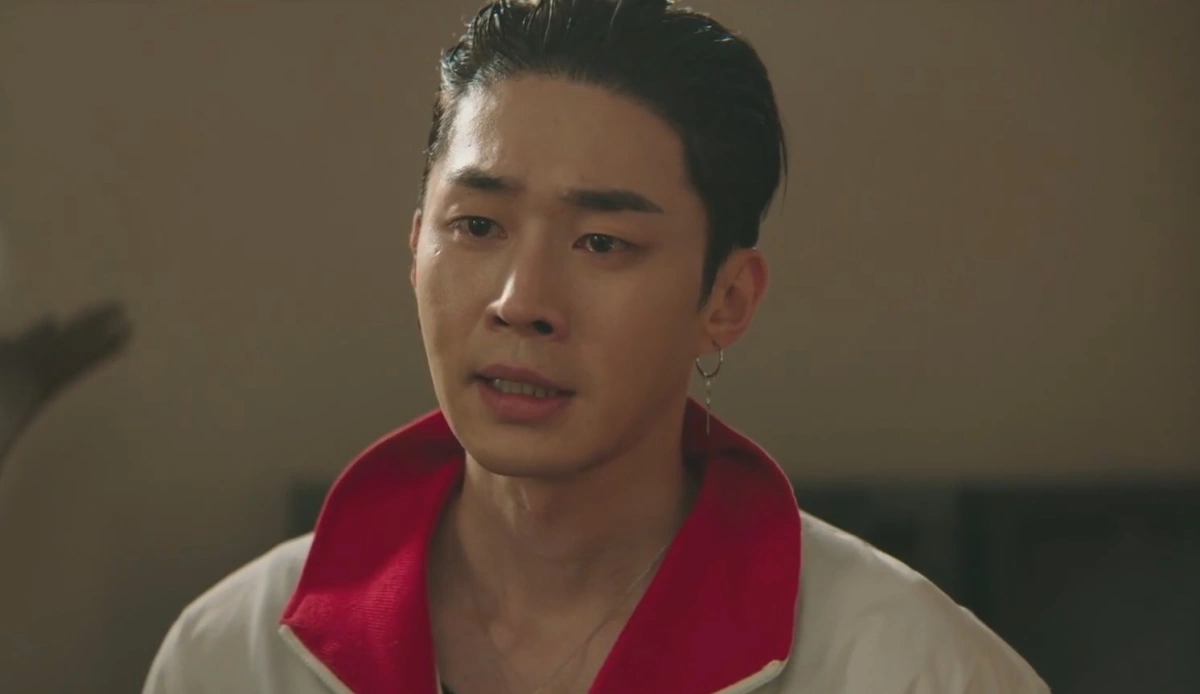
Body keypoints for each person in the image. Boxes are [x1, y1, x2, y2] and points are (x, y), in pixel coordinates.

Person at [143, 1, 1049, 692]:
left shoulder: (909, 669)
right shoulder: (235, 653)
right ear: (416, 249)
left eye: (603, 242)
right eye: (477, 226)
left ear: (726, 301)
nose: (521, 302)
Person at [0, 302, 132, 469]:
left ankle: (105, 331)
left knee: (53, 362)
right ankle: (105, 332)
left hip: (25, 376)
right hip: (26, 381)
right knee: (54, 364)